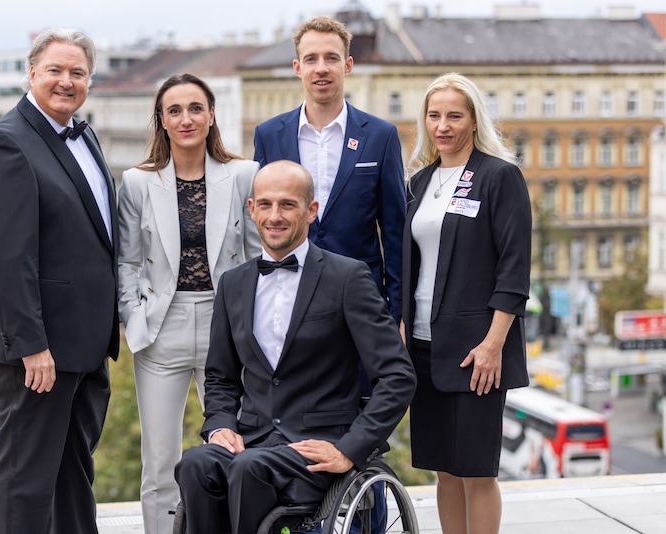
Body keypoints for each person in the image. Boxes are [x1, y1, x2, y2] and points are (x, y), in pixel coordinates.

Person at [174, 160, 416, 534]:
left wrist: (349, 449)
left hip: (318, 448)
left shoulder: (347, 278)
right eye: (266, 204)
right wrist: (219, 425)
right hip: (252, 441)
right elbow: (220, 377)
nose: (275, 216)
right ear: (252, 209)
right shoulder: (233, 284)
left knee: (247, 469)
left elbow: (398, 377)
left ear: (311, 211)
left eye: (287, 204)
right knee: (195, 463)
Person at [0, 29, 119, 534]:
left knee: (73, 475)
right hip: (37, 353)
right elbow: (6, 261)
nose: (66, 81)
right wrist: (32, 347)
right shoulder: (5, 144)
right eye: (55, 70)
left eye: (77, 73)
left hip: (80, 347)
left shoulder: (81, 135)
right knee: (25, 480)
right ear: (31, 73)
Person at [117, 73, 260, 534]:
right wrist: (133, 317)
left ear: (212, 114)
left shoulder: (243, 175)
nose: (186, 119)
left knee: (233, 451)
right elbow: (126, 263)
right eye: (174, 110)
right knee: (160, 464)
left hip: (227, 328)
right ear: (160, 119)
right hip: (162, 329)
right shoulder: (138, 183)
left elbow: (258, 257)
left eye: (195, 108)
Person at [400, 72, 532, 534]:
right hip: (423, 344)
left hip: (476, 348)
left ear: (474, 120)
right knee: (444, 468)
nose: (444, 125)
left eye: (455, 115)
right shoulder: (419, 182)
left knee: (477, 469)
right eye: (434, 116)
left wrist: (494, 344)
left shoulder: (499, 176)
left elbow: (514, 271)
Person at [253, 15, 406, 322]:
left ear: (347, 65)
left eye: (331, 58)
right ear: (298, 68)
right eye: (311, 59)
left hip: (361, 302)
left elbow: (395, 232)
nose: (321, 68)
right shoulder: (269, 135)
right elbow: (260, 221)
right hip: (287, 299)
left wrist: (397, 313)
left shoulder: (380, 135)